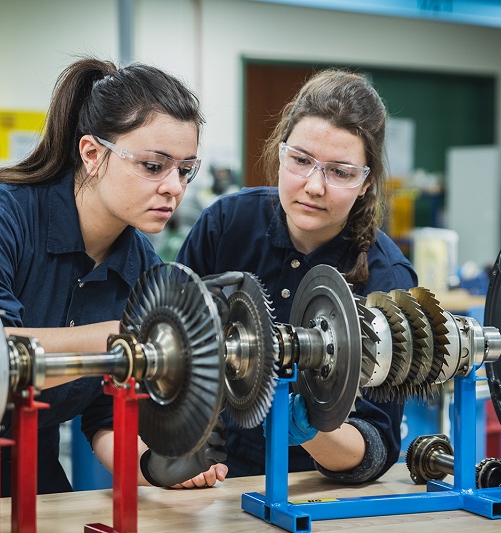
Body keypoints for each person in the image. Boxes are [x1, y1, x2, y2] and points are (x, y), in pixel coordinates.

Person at [0, 58, 226, 504]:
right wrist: (123, 339)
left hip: (28, 473)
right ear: (92, 154)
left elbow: (105, 418)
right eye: (154, 166)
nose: (174, 186)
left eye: (185, 169)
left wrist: (163, 466)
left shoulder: (141, 265)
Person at [176, 69, 417, 484]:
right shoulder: (226, 224)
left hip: (309, 493)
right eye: (301, 160)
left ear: (366, 183)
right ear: (281, 152)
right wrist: (181, 453)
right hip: (209, 485)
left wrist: (307, 429)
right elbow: (174, 353)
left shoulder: (385, 276)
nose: (314, 186)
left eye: (340, 172)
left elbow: (376, 447)